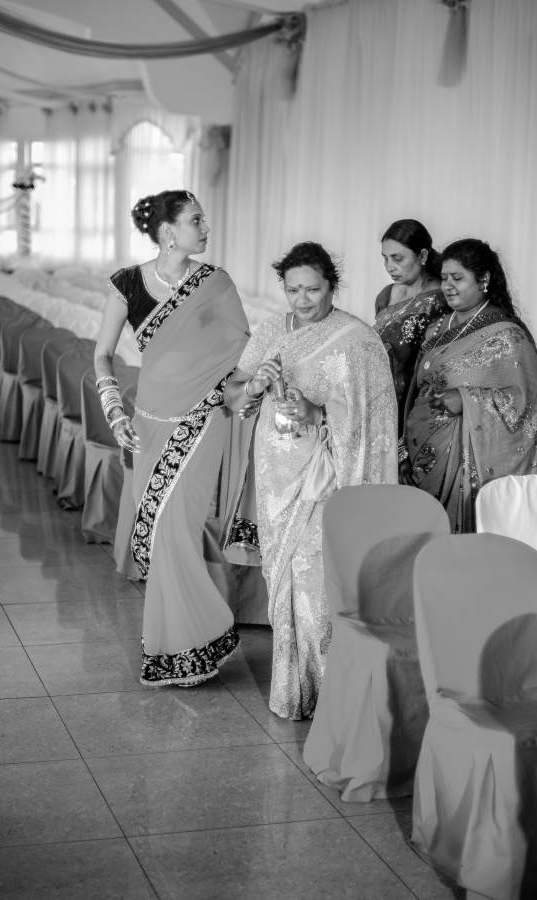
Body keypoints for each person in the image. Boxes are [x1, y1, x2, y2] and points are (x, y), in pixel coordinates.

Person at [224, 242, 398, 720]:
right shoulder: (269, 330)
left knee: (315, 582)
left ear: (332, 286)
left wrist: (317, 412)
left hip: (328, 477)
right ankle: (293, 689)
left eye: (313, 290)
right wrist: (255, 385)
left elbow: (376, 418)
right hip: (276, 476)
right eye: (293, 289)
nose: (302, 300)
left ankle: (331, 696)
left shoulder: (357, 341)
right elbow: (232, 397)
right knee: (281, 578)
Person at [94, 189, 250, 686]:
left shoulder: (214, 283)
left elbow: (236, 352)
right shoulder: (126, 284)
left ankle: (180, 647)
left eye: (204, 219)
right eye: (195, 220)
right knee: (160, 534)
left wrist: (243, 390)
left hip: (201, 420)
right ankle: (200, 634)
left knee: (175, 530)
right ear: (168, 232)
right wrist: (114, 410)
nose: (205, 228)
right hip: (147, 421)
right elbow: (103, 355)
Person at [402, 238, 537, 532]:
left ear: (483, 280)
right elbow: (415, 390)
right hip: (421, 452)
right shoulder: (436, 328)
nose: (447, 286)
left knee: (456, 543)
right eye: (444, 278)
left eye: (457, 278)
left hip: (461, 462)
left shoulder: (507, 335)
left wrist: (466, 399)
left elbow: (528, 401)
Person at [374, 220, 447, 477]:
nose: (389, 267)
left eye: (397, 258)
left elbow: (437, 359)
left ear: (423, 256)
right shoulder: (387, 295)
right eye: (385, 258)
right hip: (381, 394)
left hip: (414, 397)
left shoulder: (440, 299)